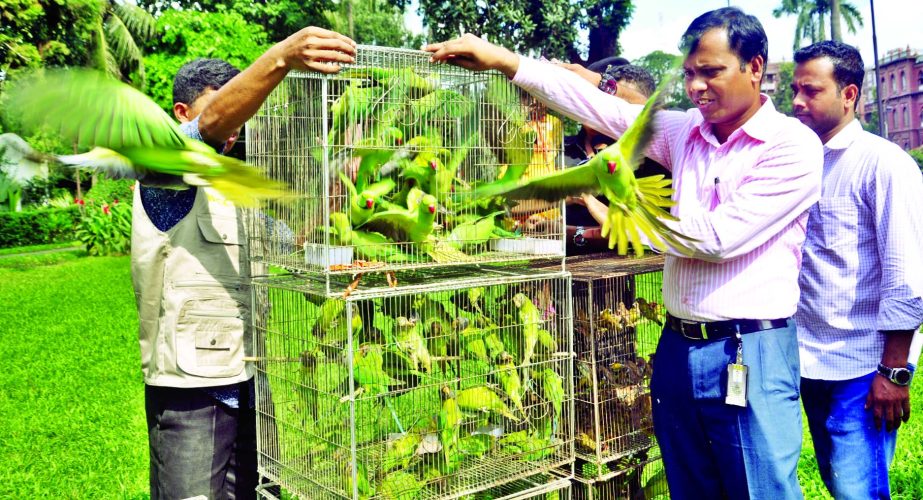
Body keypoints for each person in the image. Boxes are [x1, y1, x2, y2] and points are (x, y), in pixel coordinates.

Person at [426, 7, 822, 499]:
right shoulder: (685, 132)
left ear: (755, 67)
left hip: (748, 351)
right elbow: (598, 109)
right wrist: (505, 61)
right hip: (679, 349)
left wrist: (614, 220)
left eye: (712, 72)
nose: (697, 87)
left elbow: (718, 239)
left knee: (758, 489)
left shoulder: (792, 147)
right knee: (691, 487)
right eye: (690, 75)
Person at [132, 28, 356, 499]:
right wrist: (280, 59)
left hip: (252, 383)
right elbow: (212, 123)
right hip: (193, 395)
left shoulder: (235, 189)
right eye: (230, 107)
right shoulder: (162, 169)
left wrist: (340, 184)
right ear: (182, 114)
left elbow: (293, 242)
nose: (235, 128)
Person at [790, 40, 923, 499]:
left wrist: (894, 371)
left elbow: (906, 275)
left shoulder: (884, 165)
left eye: (811, 90)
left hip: (864, 365)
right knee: (834, 478)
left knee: (856, 490)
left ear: (849, 95)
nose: (797, 101)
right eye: (794, 89)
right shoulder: (800, 161)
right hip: (808, 358)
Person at [563, 58, 659, 253]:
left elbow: (635, 232)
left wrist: (569, 232)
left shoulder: (646, 158)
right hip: (555, 275)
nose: (595, 108)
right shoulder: (560, 148)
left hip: (612, 277)